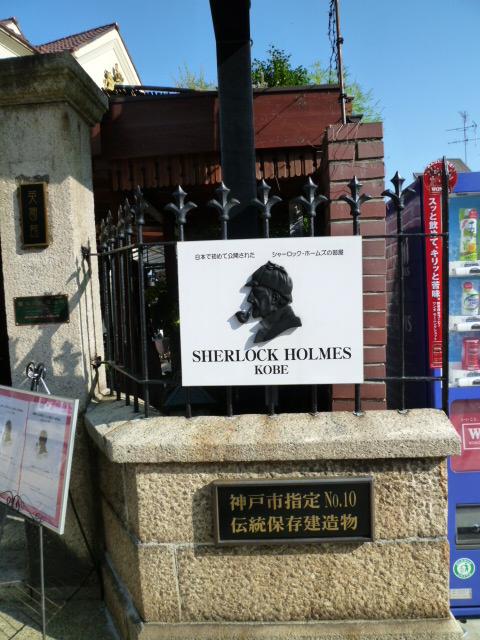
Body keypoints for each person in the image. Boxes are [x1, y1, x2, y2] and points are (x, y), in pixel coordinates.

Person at [236, 261, 302, 343]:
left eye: (255, 292)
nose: (249, 299)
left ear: (274, 298)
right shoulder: (269, 326)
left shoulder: (281, 325)